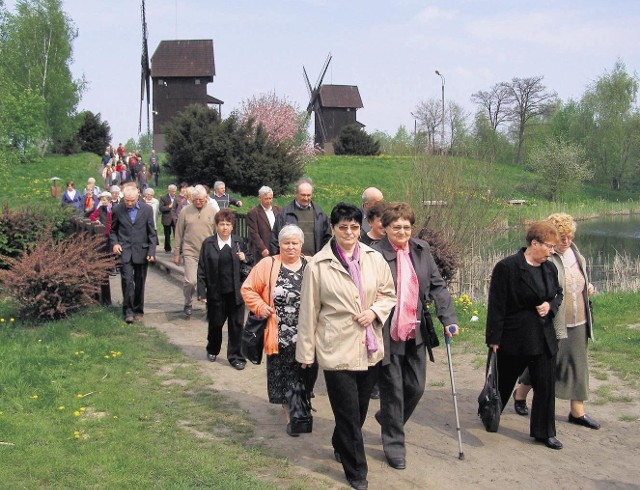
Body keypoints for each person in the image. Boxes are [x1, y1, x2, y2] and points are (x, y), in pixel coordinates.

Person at [296, 203, 397, 490]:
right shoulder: (317, 264)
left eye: (354, 227)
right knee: (349, 413)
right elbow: (309, 311)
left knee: (360, 408)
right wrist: (305, 353)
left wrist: (375, 312)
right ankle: (357, 471)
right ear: (333, 229)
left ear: (360, 227)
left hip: (369, 347)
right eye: (343, 227)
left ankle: (341, 441)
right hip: (335, 347)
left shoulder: (373, 258)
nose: (349, 232)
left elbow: (389, 293)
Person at [372, 202, 459, 469]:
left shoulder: (422, 251)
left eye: (406, 227)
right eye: (396, 227)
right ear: (385, 228)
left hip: (415, 329)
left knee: (416, 387)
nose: (402, 232)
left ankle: (389, 418)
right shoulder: (374, 254)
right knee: (394, 391)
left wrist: (449, 318)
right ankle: (395, 446)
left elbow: (437, 286)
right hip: (387, 332)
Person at [513, 213, 600, 429]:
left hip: (579, 318)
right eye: (562, 238)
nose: (567, 241)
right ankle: (521, 392)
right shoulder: (545, 258)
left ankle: (577, 412)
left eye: (570, 236)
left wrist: (588, 287)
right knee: (543, 363)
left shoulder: (576, 254)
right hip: (553, 321)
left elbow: (579, 279)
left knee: (577, 364)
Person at [485, 220, 564, 449]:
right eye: (549, 246)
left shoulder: (550, 268)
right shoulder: (507, 267)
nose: (551, 251)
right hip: (514, 336)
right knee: (503, 381)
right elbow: (497, 305)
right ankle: (491, 411)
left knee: (545, 386)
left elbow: (558, 294)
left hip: (543, 337)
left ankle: (544, 432)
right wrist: (494, 339)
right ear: (534, 243)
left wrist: (550, 305)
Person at [241, 225, 308, 436]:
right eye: (286, 243)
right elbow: (248, 289)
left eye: (294, 243)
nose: (290, 247)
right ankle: (292, 415)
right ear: (279, 245)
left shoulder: (311, 265)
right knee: (285, 376)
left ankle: (301, 408)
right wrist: (261, 307)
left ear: (301, 245)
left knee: (304, 375)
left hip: (306, 334)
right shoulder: (268, 264)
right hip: (278, 333)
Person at [197, 208, 253, 370]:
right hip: (216, 292)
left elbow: (250, 259)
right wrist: (202, 291)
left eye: (228, 224)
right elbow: (201, 269)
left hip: (236, 293)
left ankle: (236, 356)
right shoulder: (208, 244)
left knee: (236, 326)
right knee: (216, 324)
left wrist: (245, 257)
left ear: (232, 226)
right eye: (222, 224)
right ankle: (213, 348)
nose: (225, 227)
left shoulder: (238, 242)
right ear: (216, 226)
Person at [110, 185, 157, 324]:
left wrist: (151, 251)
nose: (129, 203)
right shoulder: (118, 209)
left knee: (140, 283)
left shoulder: (147, 209)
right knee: (127, 282)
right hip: (125, 252)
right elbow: (113, 230)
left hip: (141, 252)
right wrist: (115, 243)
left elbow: (152, 233)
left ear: (137, 197)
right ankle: (128, 312)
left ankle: (138, 310)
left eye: (132, 200)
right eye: (127, 200)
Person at [174, 185, 217, 317]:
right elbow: (179, 233)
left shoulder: (213, 211)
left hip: (208, 253)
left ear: (206, 198)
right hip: (190, 251)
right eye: (196, 200)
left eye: (201, 200)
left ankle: (210, 306)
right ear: (192, 199)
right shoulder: (185, 211)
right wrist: (176, 253)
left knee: (211, 281)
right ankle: (188, 302)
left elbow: (218, 233)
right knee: (191, 281)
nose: (198, 202)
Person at [270, 177, 331, 256]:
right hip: (290, 263)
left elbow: (327, 240)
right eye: (303, 195)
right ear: (296, 193)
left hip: (314, 262)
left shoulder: (320, 214)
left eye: (308, 195)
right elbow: (274, 240)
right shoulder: (284, 214)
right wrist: (276, 261)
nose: (306, 198)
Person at [246, 185, 281, 261]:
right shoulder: (254, 213)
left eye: (270, 198)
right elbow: (253, 233)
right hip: (263, 250)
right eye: (266, 199)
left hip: (277, 249)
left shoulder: (278, 210)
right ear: (260, 198)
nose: (268, 201)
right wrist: (262, 248)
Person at [159, 184, 178, 253]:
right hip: (166, 219)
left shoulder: (177, 198)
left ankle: (177, 249)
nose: (174, 193)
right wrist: (168, 207)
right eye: (172, 191)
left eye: (175, 191)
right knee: (167, 235)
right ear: (169, 191)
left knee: (177, 234)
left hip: (175, 219)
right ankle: (167, 248)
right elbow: (161, 208)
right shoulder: (163, 198)